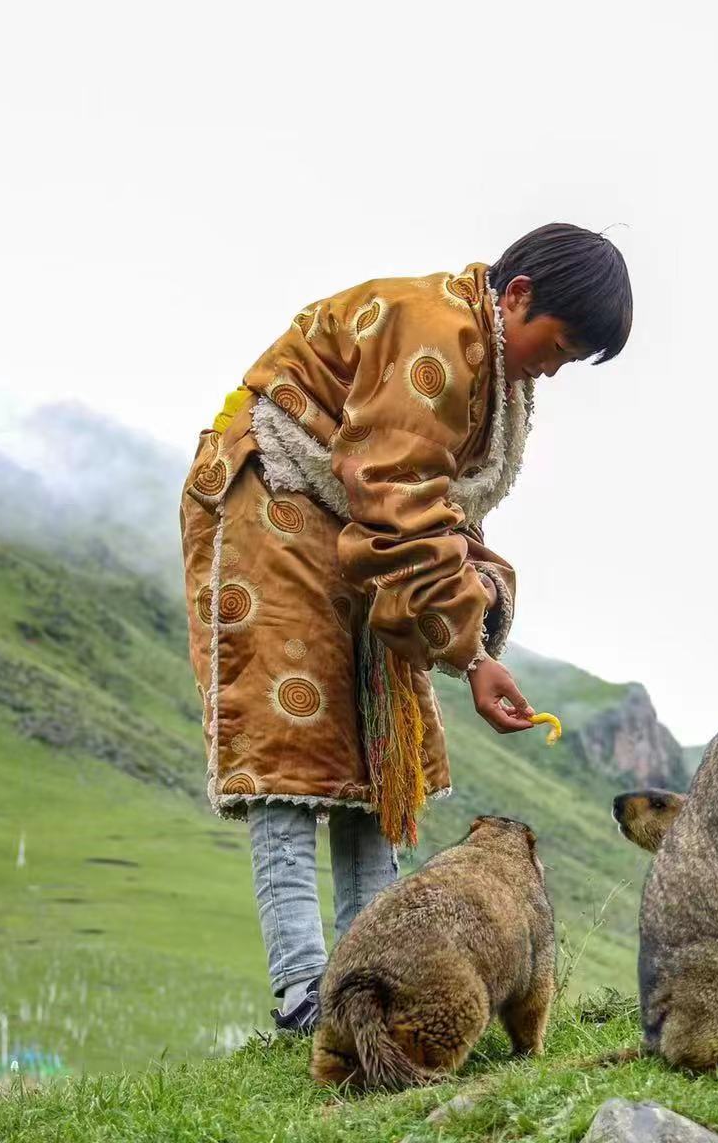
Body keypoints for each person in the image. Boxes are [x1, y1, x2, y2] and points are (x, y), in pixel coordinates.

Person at [177, 223, 632, 1032]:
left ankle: (370, 986)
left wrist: (475, 643)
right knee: (292, 757)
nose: (552, 369)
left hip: (356, 529)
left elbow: (430, 513)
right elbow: (398, 493)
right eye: (556, 346)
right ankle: (302, 996)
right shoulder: (434, 333)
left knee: (376, 754)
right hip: (273, 499)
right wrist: (469, 652)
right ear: (517, 296)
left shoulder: (488, 360)